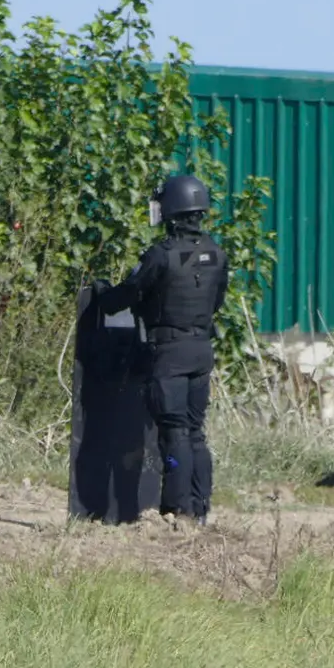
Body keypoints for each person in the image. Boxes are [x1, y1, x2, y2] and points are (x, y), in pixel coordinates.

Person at [96, 175, 229, 525]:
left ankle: (177, 510)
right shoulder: (216, 252)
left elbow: (126, 295)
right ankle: (199, 509)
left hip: (169, 352)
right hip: (201, 349)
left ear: (171, 210)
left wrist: (101, 293)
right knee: (195, 429)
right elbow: (217, 302)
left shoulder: (161, 255)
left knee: (175, 432)